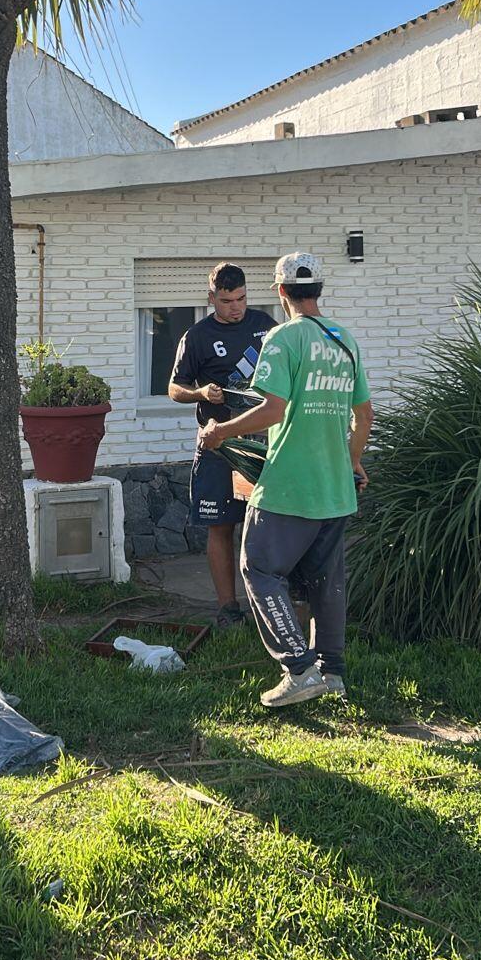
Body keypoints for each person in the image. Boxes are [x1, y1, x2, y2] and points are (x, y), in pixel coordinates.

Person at [199, 251, 373, 706]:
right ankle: (331, 671)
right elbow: (364, 413)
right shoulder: (344, 339)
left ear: (280, 292)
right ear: (319, 289)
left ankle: (298, 667)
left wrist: (220, 432)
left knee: (257, 567)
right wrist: (353, 462)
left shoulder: (282, 338)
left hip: (289, 485)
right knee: (325, 579)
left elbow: (271, 410)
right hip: (335, 485)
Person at [168, 263, 276, 626]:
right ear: (211, 298)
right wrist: (200, 392)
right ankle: (229, 609)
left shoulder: (266, 326)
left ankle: (270, 607)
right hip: (218, 445)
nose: (236, 307)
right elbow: (174, 388)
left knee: (269, 524)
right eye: (228, 301)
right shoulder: (196, 336)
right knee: (221, 525)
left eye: (242, 298)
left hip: (262, 440)